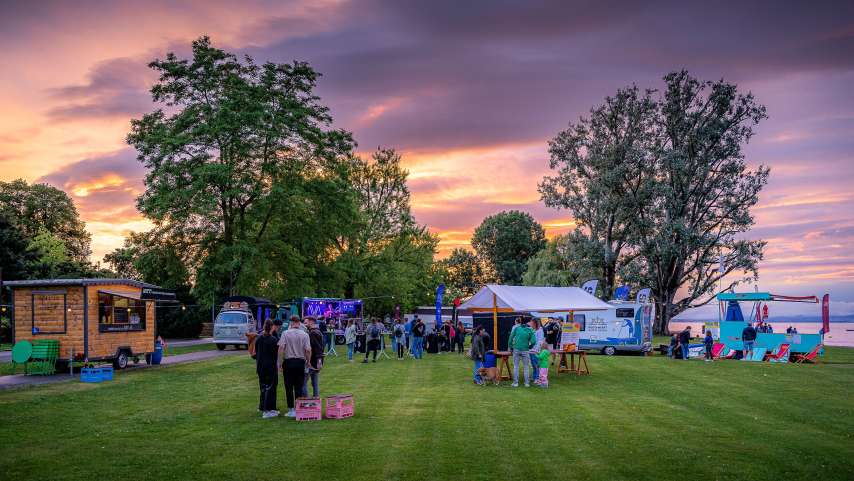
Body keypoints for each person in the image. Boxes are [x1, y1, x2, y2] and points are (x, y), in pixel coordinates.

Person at [277, 316, 311, 418]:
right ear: (299, 323)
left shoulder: (285, 333)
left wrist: (279, 362)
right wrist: (308, 361)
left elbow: (281, 348)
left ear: (291, 323)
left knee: (288, 386)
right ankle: (298, 408)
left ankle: (291, 409)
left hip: (288, 361)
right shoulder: (305, 334)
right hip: (300, 361)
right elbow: (308, 350)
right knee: (299, 386)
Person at [256, 319, 279, 418]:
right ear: (271, 327)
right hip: (270, 366)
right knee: (270, 388)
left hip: (260, 366)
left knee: (263, 387)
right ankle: (267, 410)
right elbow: (276, 353)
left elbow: (256, 352)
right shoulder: (273, 340)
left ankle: (264, 407)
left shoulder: (259, 338)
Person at [508, 317, 535, 387]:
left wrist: (511, 346)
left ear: (520, 322)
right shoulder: (530, 330)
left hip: (516, 349)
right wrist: (530, 347)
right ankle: (526, 383)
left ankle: (515, 383)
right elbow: (533, 341)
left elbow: (511, 338)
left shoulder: (516, 328)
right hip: (525, 349)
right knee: (526, 366)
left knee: (516, 366)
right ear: (527, 322)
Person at [302, 317, 324, 398]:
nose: (304, 324)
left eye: (305, 322)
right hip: (315, 361)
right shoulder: (317, 331)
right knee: (315, 383)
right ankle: (316, 399)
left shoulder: (313, 333)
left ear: (311, 322)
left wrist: (318, 362)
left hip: (312, 362)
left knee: (303, 383)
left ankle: (307, 402)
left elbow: (318, 348)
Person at [529, 319, 544, 383]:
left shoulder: (540, 330)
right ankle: (535, 376)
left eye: (532, 323)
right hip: (531, 350)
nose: (530, 324)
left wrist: (537, 350)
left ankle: (537, 378)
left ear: (535, 324)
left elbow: (540, 341)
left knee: (536, 365)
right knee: (533, 364)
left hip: (535, 351)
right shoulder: (532, 330)